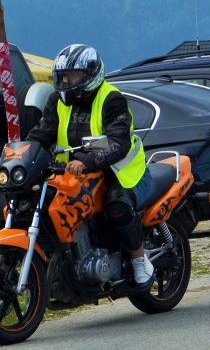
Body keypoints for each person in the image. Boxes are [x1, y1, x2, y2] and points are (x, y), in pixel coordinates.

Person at [25, 45, 154, 285]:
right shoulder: (57, 101)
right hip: (74, 176)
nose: (66, 81)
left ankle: (139, 260)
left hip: (120, 172)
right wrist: (23, 158)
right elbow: (41, 135)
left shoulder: (111, 99)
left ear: (89, 74)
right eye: (63, 76)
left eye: (72, 75)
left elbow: (118, 142)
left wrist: (86, 161)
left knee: (117, 208)